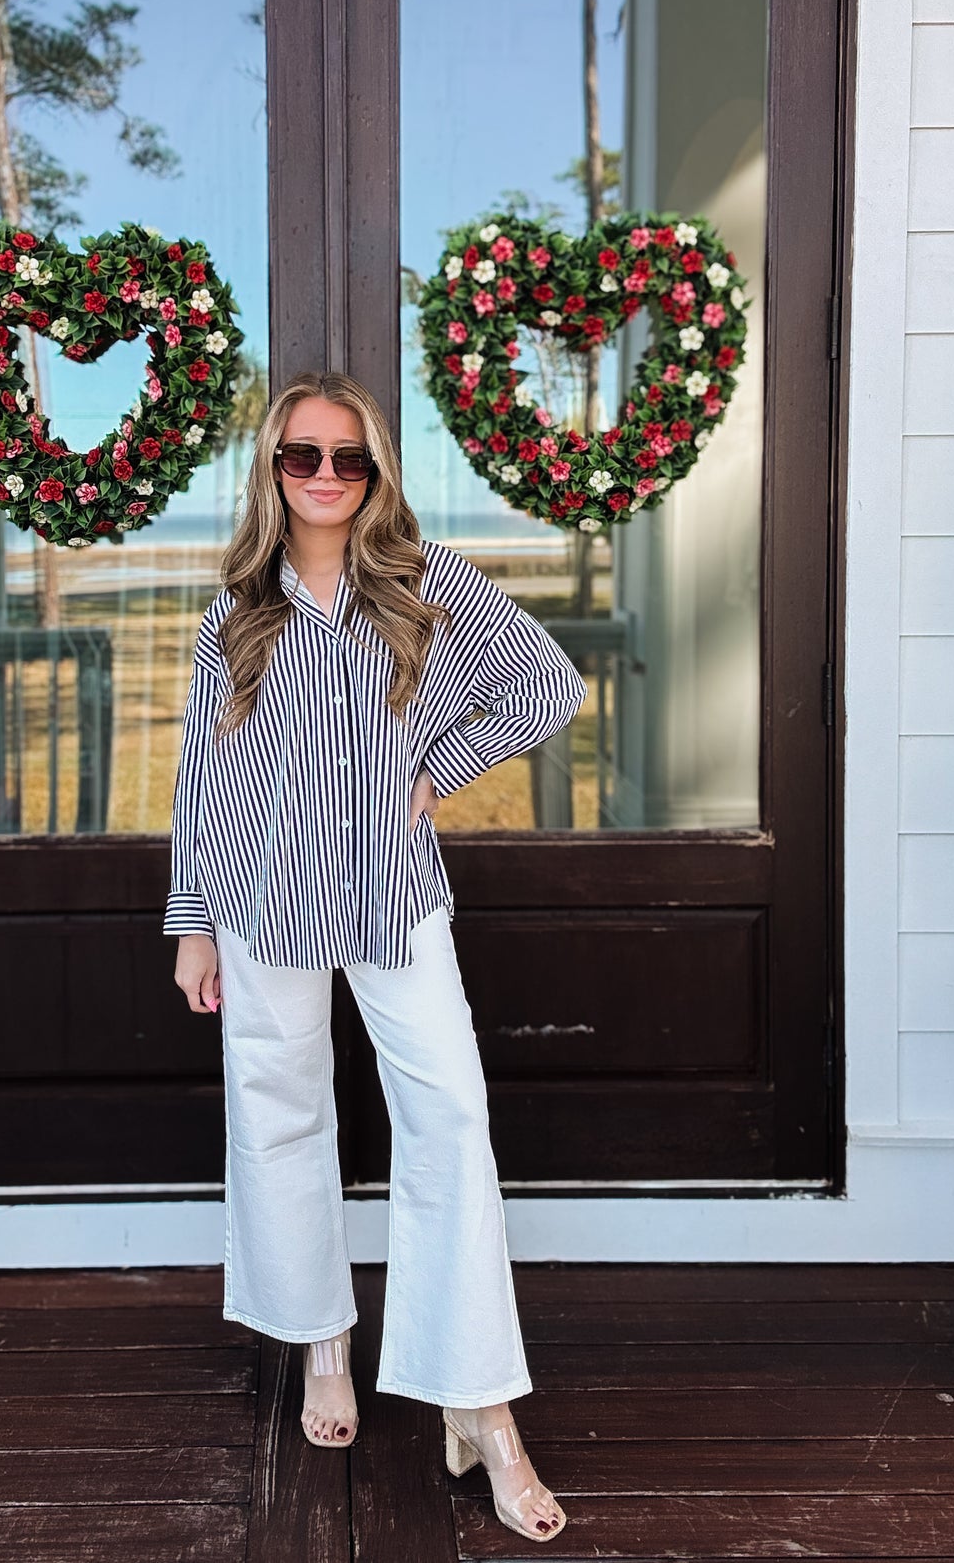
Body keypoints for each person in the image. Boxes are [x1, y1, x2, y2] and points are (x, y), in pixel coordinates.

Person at [165, 369, 585, 1544]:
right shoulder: (235, 608)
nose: (326, 479)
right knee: (281, 1116)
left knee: (449, 1117)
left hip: (395, 901)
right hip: (258, 902)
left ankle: (479, 1405)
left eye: (349, 459)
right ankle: (323, 1345)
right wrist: (191, 920)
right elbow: (201, 775)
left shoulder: (425, 581)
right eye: (304, 457)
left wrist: (428, 776)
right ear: (273, 470)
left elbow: (545, 685)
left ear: (376, 470)